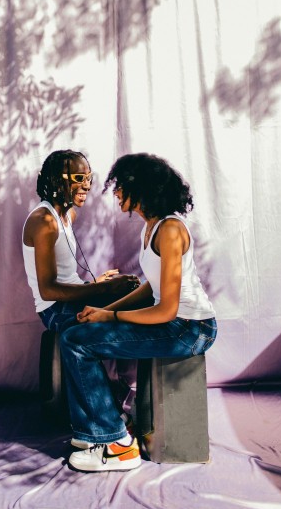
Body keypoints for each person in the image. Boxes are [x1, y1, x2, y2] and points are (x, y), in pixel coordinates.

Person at [59, 152, 217, 472]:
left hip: (190, 329)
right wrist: (103, 309)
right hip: (175, 323)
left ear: (141, 189)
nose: (115, 193)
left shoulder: (170, 230)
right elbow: (150, 287)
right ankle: (95, 432)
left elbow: (166, 309)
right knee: (71, 334)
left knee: (78, 342)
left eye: (120, 187)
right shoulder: (151, 227)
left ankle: (116, 444)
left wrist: (110, 317)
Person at [22, 150, 140, 431]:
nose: (87, 184)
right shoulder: (44, 221)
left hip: (72, 298)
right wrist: (103, 290)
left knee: (136, 295)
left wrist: (97, 285)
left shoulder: (68, 216)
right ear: (56, 180)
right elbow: (48, 290)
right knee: (126, 306)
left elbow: (68, 277)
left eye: (88, 178)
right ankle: (112, 409)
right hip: (54, 311)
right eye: (78, 178)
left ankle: (124, 396)